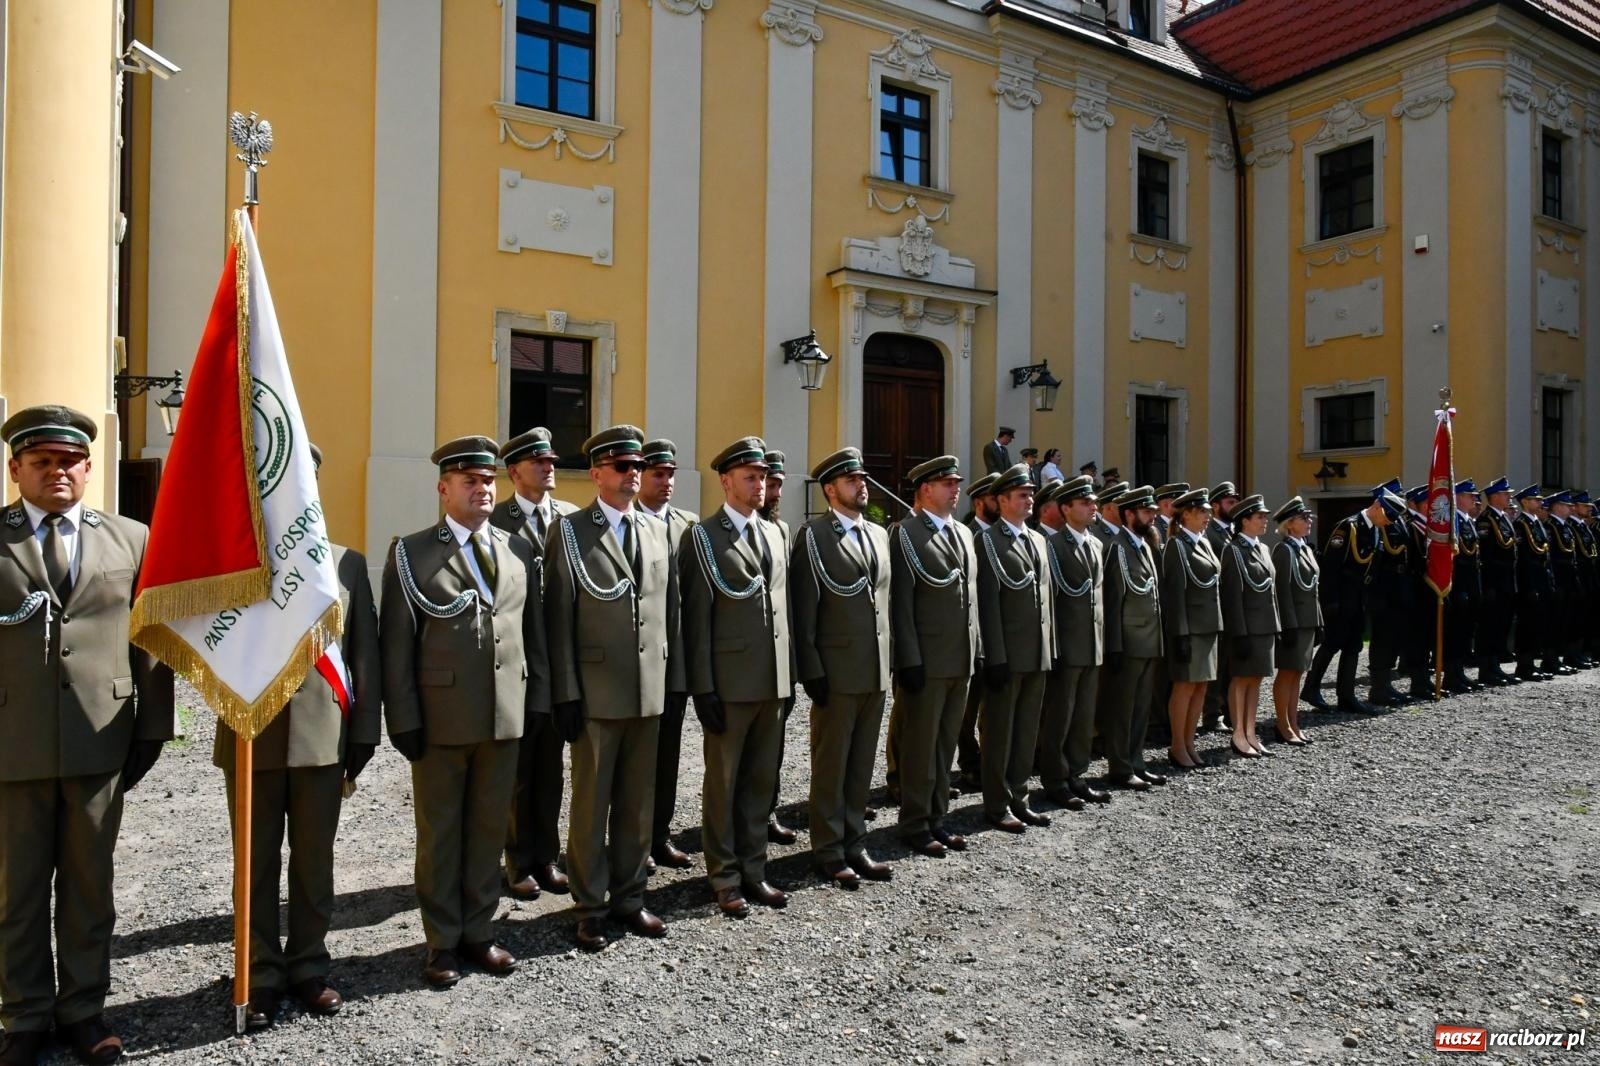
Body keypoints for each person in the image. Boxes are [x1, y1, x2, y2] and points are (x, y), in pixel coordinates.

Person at [0, 406, 174, 1066]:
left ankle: (82, 1009)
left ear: (89, 467)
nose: (58, 472)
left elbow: (150, 642)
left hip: (100, 739)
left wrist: (154, 728)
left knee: (88, 885)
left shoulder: (129, 538)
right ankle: (22, 1015)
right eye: (41, 461)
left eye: (69, 461)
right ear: (16, 469)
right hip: (13, 743)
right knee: (16, 891)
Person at [220, 444, 382, 1030]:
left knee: (315, 863)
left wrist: (363, 735)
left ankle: (309, 964)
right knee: (255, 864)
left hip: (321, 737)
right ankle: (259, 972)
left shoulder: (346, 565)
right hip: (250, 730)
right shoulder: (233, 561)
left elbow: (364, 658)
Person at [381, 436, 536, 988]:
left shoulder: (515, 550)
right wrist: (403, 718)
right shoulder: (413, 552)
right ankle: (441, 941)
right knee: (442, 833)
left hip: (503, 716)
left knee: (489, 831)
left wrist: (531, 703)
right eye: (470, 481)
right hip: (442, 718)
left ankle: (479, 931)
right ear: (444, 489)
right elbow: (396, 646)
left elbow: (527, 635)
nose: (483, 489)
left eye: (489, 480)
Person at [544, 425, 681, 951]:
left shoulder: (655, 530)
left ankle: (631, 896)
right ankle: (590, 905)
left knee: (638, 803)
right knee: (591, 803)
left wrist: (673, 681)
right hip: (596, 692)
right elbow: (559, 615)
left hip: (648, 690)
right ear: (597, 472)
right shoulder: (572, 530)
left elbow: (669, 611)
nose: (632, 476)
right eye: (622, 467)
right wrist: (567, 692)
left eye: (637, 467)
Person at [683, 438, 793, 918]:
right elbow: (697, 618)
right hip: (729, 681)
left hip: (772, 681)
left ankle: (755, 868)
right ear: (726, 481)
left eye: (763, 477)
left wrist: (790, 676)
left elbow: (784, 610)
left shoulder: (775, 534)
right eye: (750, 476)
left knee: (759, 781)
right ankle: (724, 876)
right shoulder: (703, 537)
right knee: (724, 783)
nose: (760, 484)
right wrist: (703, 685)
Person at [792, 447, 893, 887]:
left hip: (874, 669)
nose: (861, 484)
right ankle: (828, 848)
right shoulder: (814, 536)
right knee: (832, 763)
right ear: (831, 489)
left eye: (862, 478)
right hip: (837, 670)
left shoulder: (878, 534)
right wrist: (811, 668)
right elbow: (804, 606)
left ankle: (856, 840)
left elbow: (886, 603)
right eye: (851, 480)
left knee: (861, 763)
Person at [490, 427, 574, 901]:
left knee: (553, 766)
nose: (549, 468)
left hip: (559, 660)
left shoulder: (569, 519)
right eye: (537, 462)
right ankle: (517, 859)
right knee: (518, 768)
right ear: (515, 470)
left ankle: (547, 856)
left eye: (551, 461)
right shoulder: (496, 521)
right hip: (518, 660)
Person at [888, 456, 979, 856]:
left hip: (960, 658)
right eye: (946, 483)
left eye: (956, 482)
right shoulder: (905, 534)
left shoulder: (962, 532)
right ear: (925, 489)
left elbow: (971, 600)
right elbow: (901, 602)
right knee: (921, 745)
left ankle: (936, 816)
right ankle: (914, 821)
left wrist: (978, 650)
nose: (955, 489)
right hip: (927, 660)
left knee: (945, 743)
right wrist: (908, 659)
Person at [975, 464, 1055, 832]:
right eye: (1021, 495)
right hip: (1007, 655)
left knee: (1026, 730)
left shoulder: (1038, 540)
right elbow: (988, 605)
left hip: (1036, 653)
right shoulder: (989, 541)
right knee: (1000, 731)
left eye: (1030, 494)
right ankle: (997, 802)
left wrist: (1048, 647)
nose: (1029, 500)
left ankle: (1020, 796)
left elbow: (1046, 601)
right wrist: (995, 656)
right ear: (1001, 500)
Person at [635, 439, 699, 871]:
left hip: (675, 659)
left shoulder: (689, 525)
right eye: (659, 473)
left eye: (672, 474)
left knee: (669, 753)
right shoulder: (626, 521)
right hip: (637, 662)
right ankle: (630, 843)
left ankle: (661, 835)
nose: (667, 482)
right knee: (634, 762)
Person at [1036, 475, 1108, 806]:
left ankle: (1076, 774)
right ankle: (1055, 778)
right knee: (1059, 716)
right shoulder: (1052, 545)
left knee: (1084, 715)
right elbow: (1050, 601)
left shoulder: (1095, 544)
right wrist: (1054, 647)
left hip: (1091, 643)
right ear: (1066, 508)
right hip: (1066, 644)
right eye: (1085, 502)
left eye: (1093, 501)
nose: (1093, 506)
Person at [1100, 486, 1164, 790]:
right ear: (1129, 514)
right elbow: (1113, 601)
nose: (1152, 516)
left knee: (1140, 708)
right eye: (1146, 511)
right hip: (1128, 642)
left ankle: (1137, 761)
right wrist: (1113, 645)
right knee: (1123, 709)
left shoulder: (1143, 545)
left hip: (1148, 640)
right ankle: (1121, 767)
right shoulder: (1117, 547)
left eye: (1153, 511)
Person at [1159, 487, 1223, 769]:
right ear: (1186, 514)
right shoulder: (1177, 545)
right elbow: (1175, 593)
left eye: (1209, 512)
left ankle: (1189, 742)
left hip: (1208, 627)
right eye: (1202, 512)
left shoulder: (1203, 542)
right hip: (1190, 629)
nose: (1208, 516)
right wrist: (1181, 633)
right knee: (1185, 687)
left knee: (1200, 688)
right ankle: (1177, 745)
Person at [759, 449, 800, 846]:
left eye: (778, 486)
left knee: (776, 744)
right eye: (770, 484)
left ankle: (768, 811)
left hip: (780, 659)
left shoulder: (782, 530)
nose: (774, 493)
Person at [1220, 495, 1280, 757]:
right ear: (1244, 521)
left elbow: (1271, 592)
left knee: (1256, 680)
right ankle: (1238, 734)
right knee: (1241, 679)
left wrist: (1276, 625)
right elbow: (1233, 596)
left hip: (1264, 626)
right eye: (1259, 517)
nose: (1264, 520)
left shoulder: (1263, 549)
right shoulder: (1233, 550)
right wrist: (1239, 633)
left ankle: (1250, 731)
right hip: (1246, 627)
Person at [955, 472, 1000, 792]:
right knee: (964, 712)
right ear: (979, 502)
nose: (999, 502)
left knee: (989, 707)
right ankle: (969, 764)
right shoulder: (969, 536)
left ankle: (985, 761)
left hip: (992, 638)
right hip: (969, 636)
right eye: (994, 497)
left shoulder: (1001, 537)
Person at [1269, 497, 1320, 746]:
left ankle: (1293, 721)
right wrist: (1287, 625)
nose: (1309, 522)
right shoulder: (1284, 550)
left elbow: (1313, 589)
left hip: (1307, 620)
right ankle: (1283, 724)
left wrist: (1318, 621)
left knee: (1297, 673)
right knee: (1287, 673)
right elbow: (1283, 590)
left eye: (1308, 518)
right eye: (1303, 518)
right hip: (1294, 622)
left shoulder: (1304, 547)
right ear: (1290, 524)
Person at [1475, 476, 1520, 685]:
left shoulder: (1502, 518)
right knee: (1490, 625)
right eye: (1505, 494)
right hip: (1494, 581)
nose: (1509, 497)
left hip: (1506, 581)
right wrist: (1490, 585)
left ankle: (1495, 665)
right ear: (1493, 497)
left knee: (1501, 624)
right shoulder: (1486, 520)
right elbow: (1487, 556)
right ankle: (1486, 669)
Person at [1443, 480, 1484, 693]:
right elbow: (1454, 560)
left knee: (1466, 630)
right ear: (1458, 497)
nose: (1474, 499)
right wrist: (1458, 590)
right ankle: (1451, 675)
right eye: (1470, 495)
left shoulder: (1468, 521)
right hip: (1459, 586)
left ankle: (1459, 672)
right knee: (1455, 631)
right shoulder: (1453, 521)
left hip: (1470, 584)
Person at [1512, 484, 1555, 681]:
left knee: (1539, 623)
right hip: (1530, 581)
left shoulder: (1537, 522)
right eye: (1535, 500)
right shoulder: (1521, 524)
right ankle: (1524, 665)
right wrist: (1529, 586)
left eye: (1540, 500)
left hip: (1542, 579)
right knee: (1527, 624)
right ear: (1524, 502)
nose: (1540, 502)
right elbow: (1523, 560)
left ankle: (1532, 663)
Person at [1544, 490, 1584, 672]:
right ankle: (1550, 659)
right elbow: (1551, 556)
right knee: (1554, 621)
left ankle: (1563, 657)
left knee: (1567, 619)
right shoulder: (1550, 526)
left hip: (1568, 578)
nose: (1570, 508)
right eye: (1567, 506)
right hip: (1558, 578)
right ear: (1557, 507)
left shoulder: (1565, 526)